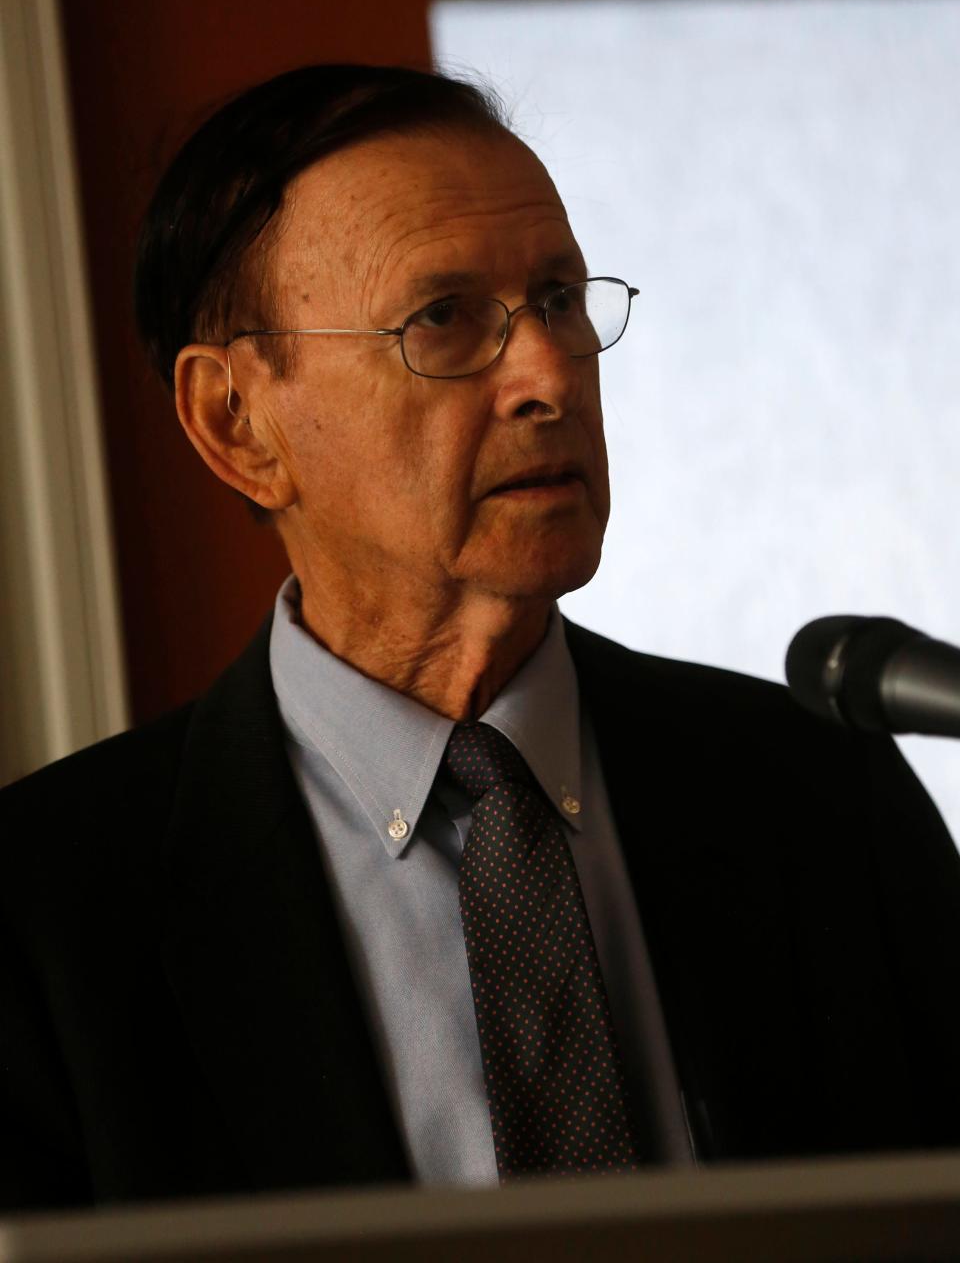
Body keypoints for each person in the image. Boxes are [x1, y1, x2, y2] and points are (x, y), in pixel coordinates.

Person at [2, 64, 960, 1215]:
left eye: (559, 300)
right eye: (444, 318)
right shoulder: (42, 908)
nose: (550, 376)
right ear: (237, 422)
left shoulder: (819, 789)